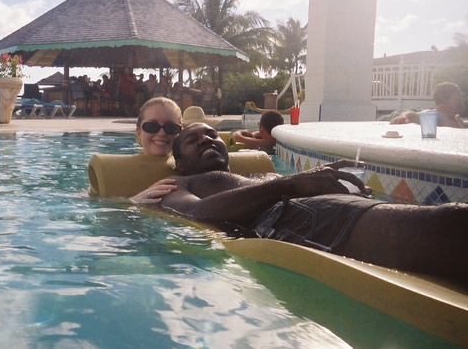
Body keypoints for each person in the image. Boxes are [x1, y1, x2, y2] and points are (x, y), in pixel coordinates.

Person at [153, 122, 468, 282]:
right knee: (452, 225)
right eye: (193, 140)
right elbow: (194, 212)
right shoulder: (177, 183)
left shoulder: (258, 176)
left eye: (211, 135)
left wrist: (336, 186)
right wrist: (290, 183)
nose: (206, 139)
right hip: (286, 221)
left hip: (316, 212)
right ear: (180, 163)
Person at [129, 97, 182, 204]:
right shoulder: (117, 171)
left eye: (171, 127)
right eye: (152, 126)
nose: (161, 133)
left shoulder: (190, 169)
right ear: (139, 133)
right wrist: (131, 203)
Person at [390, 82, 465, 128]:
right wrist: (403, 117)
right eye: (456, 99)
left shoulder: (453, 119)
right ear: (444, 101)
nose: (460, 102)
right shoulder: (437, 115)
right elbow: (413, 116)